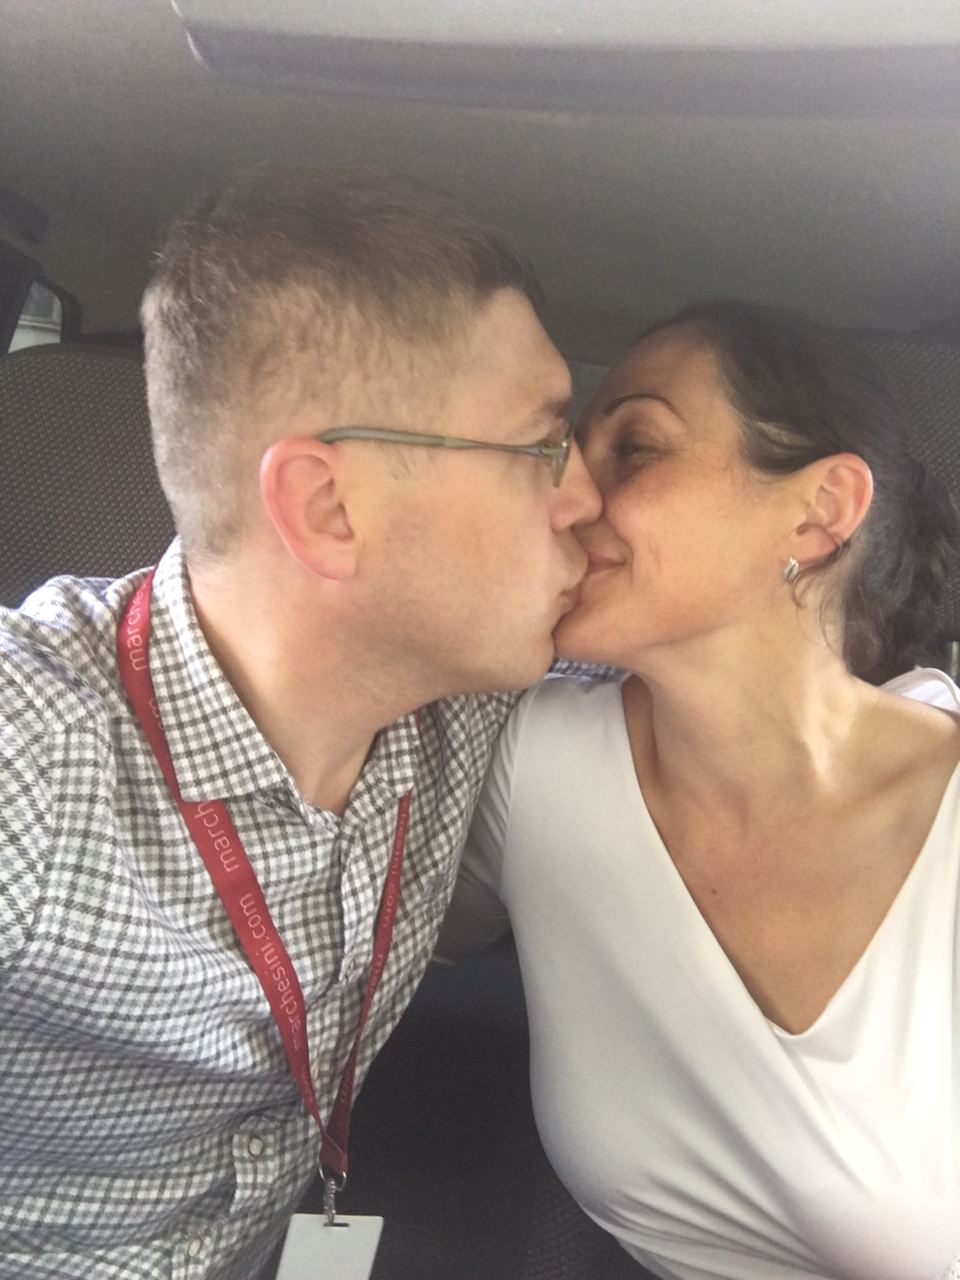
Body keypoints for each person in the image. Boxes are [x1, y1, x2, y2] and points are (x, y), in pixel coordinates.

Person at [0, 164, 601, 1279]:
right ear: (328, 509)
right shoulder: (33, 748)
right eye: (542, 447)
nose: (586, 499)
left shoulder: (473, 709)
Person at [440, 301, 960, 1280]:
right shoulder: (531, 762)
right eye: (566, 451)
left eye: (635, 446)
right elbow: (352, 943)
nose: (567, 492)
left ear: (819, 512)